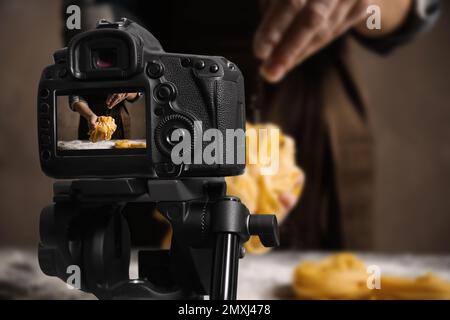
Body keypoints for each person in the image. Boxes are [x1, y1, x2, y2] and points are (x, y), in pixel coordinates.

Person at [62, 0, 440, 249]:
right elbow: (96, 12)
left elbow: (416, 10)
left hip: (314, 125)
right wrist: (123, 74)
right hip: (168, 113)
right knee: (175, 275)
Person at [69, 92, 141, 140]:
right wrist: (89, 115)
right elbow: (75, 96)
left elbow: (139, 91)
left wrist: (126, 92)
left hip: (120, 121)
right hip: (90, 121)